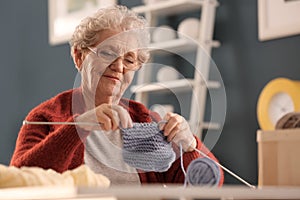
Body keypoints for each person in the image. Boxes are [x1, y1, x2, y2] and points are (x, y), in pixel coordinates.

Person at [10, 5, 224, 185]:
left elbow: (208, 184)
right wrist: (79, 126)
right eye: (107, 53)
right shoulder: (47, 117)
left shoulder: (144, 120)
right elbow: (20, 182)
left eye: (129, 60)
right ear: (79, 56)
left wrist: (190, 145)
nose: (119, 66)